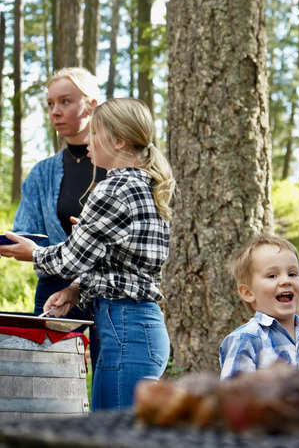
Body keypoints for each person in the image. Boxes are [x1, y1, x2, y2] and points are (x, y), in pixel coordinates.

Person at [0, 98, 174, 410]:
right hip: (136, 329)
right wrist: (75, 289)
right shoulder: (142, 184)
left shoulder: (113, 188)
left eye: (94, 134)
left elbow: (70, 259)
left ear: (118, 140)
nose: (87, 142)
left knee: (115, 437)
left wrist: (33, 253)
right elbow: (123, 266)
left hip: (127, 331)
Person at [4, 67, 107, 371]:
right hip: (54, 289)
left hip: (109, 288)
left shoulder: (118, 165)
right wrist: (18, 244)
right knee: (50, 379)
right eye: (50, 104)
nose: (55, 112)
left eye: (65, 102)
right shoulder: (41, 173)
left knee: (108, 382)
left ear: (92, 104)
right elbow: (27, 234)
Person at [219, 234, 299, 378]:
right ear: (248, 293)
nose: (285, 281)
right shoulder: (245, 339)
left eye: (292, 274)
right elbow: (234, 395)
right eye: (272, 276)